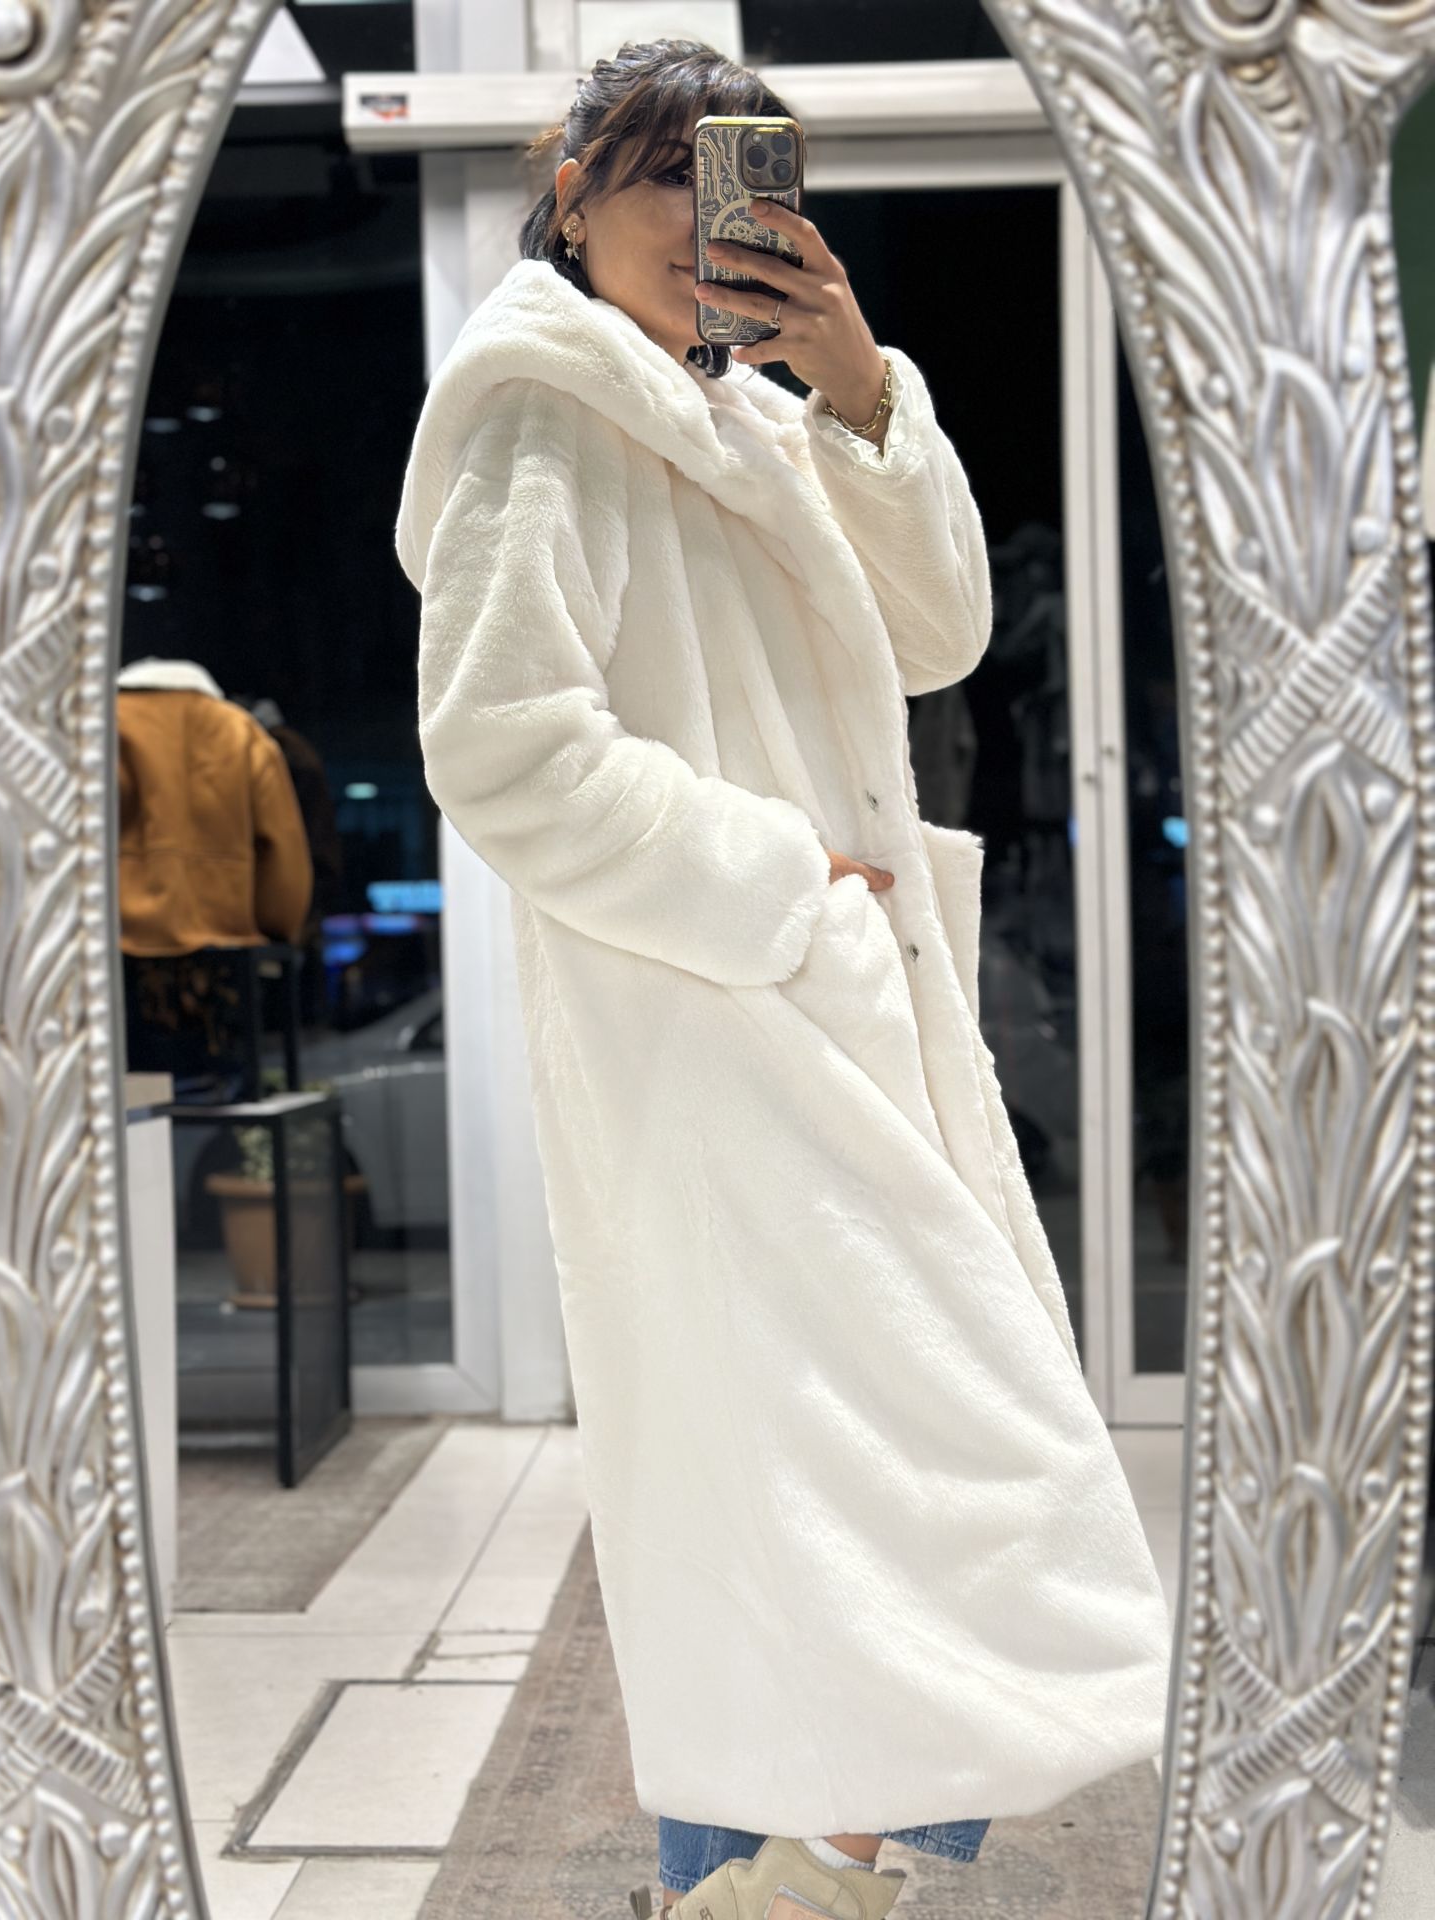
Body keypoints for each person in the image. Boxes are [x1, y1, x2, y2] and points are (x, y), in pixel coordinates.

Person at [396, 37, 1172, 1920]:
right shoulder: (543, 410)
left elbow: (940, 635)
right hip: (710, 1022)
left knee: (853, 1491)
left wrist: (860, 390)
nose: (704, 218)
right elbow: (501, 746)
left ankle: (768, 1882)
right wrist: (778, 888)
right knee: (810, 1483)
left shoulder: (742, 413)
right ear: (572, 191)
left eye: (741, 179)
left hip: (819, 1020)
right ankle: (776, 1883)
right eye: (666, 173)